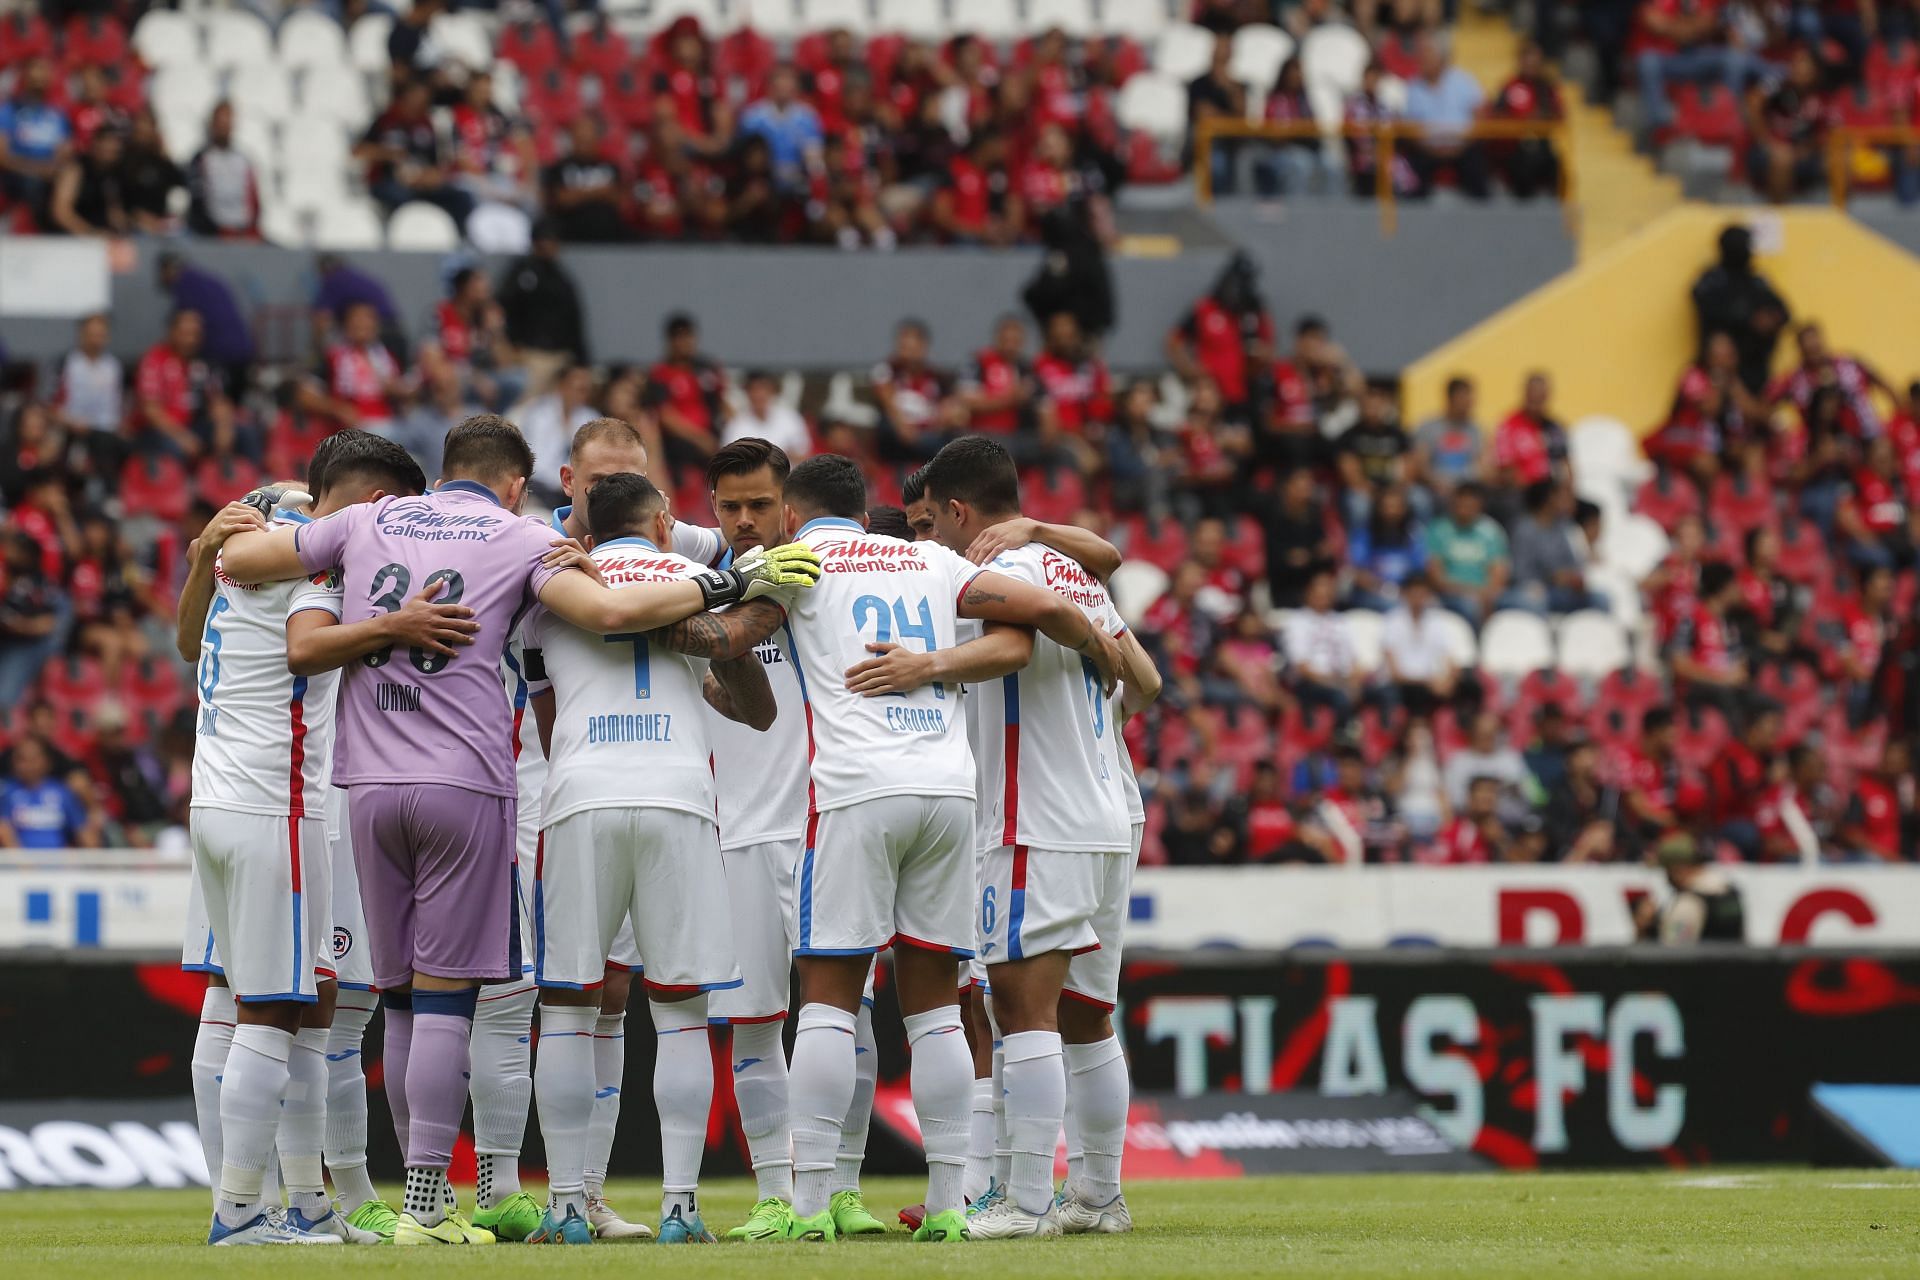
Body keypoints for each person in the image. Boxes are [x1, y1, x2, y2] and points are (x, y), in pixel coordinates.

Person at [216, 415, 824, 1244]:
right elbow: (615, 616)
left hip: (380, 783)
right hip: (503, 787)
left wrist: (231, 536)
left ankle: (492, 1203)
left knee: (417, 1005)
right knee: (625, 1007)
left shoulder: (365, 524)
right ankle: (635, 1204)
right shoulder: (528, 543)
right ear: (522, 485)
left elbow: (246, 569)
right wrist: (734, 586)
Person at [642, 451, 1121, 1241]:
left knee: (828, 998)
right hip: (948, 791)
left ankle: (807, 1204)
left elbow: (729, 639)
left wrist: (654, 621)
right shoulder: (930, 557)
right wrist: (1101, 648)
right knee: (935, 1006)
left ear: (793, 515)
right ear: (865, 511)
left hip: (856, 790)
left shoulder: (792, 563)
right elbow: (1037, 613)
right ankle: (944, 1205)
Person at [176, 432, 439, 1246]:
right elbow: (308, 645)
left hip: (219, 800)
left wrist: (197, 560)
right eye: (393, 512)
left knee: (307, 998)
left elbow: (191, 644)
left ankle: (311, 1205)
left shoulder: (240, 557)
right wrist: (400, 623)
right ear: (370, 505)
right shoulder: (315, 565)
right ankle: (240, 1214)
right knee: (273, 1006)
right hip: (274, 804)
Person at [521, 472, 771, 1246]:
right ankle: (681, 1207)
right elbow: (757, 709)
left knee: (566, 1006)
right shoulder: (701, 581)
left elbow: (546, 715)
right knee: (681, 1011)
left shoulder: (556, 587)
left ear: (589, 528)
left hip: (581, 794)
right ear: (665, 522)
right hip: (679, 796)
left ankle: (565, 1206)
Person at [908, 436, 1147, 1237]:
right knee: (1087, 1015)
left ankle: (1028, 1201)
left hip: (1033, 812)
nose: (927, 537)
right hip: (1105, 810)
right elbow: (1144, 680)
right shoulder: (1069, 566)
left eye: (931, 519)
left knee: (1020, 1004)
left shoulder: (990, 578)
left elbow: (1050, 633)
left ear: (958, 511)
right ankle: (1098, 1195)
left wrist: (925, 666)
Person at [356, 80, 475, 229]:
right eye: (415, 98)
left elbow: (437, 164)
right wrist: (389, 154)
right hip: (389, 181)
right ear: (404, 97)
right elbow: (359, 151)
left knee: (462, 197)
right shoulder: (386, 120)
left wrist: (430, 176)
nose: (418, 103)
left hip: (420, 183)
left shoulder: (427, 125)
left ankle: (461, 239)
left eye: (423, 100)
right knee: (402, 199)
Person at [1691, 224, 1790, 395]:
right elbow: (1706, 305)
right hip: (1720, 373)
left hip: (1755, 369)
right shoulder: (1713, 280)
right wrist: (1748, 318)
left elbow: (1784, 312)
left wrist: (1771, 319)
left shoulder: (1755, 280)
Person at [1402, 31, 1490, 199]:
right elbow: (1410, 128)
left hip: (1463, 147)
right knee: (1412, 177)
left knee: (1477, 170)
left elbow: (1479, 114)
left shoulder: (1463, 80)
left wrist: (1461, 145)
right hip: (1426, 150)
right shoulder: (1413, 87)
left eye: (1428, 56)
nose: (1423, 61)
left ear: (1441, 59)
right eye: (1422, 57)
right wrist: (1430, 148)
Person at [641, 313, 727, 476]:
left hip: (712, 441)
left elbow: (722, 402)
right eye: (679, 337)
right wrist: (700, 438)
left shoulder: (707, 368)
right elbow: (666, 416)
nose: (684, 342)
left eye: (688, 336)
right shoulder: (660, 373)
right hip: (678, 448)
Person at [1634, 832, 1745, 943]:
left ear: (1678, 869)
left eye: (1667, 871)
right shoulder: (1730, 892)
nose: (1667, 880)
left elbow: (1672, 953)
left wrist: (1646, 928)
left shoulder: (1688, 903)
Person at [1284, 567, 1360, 719]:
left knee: (1384, 692)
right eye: (1319, 590)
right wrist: (1334, 682)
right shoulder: (1297, 622)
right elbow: (1302, 667)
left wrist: (1354, 682)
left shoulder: (1341, 621)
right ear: (1309, 592)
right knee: (1339, 696)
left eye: (1328, 590)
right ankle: (1342, 735)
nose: (1324, 594)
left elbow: (1354, 660)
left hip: (1341, 680)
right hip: (1310, 683)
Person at [0, 57, 70, 218]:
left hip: (49, 176)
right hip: (17, 177)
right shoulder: (8, 112)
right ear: (24, 78)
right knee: (32, 184)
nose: (39, 78)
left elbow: (64, 153)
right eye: (34, 73)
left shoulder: (57, 115)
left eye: (43, 73)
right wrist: (37, 170)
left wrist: (52, 169)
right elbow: (3, 157)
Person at [1381, 572, 1457, 719]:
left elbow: (1450, 659)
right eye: (1414, 594)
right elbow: (1396, 674)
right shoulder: (1392, 621)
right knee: (1418, 693)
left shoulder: (1436, 621)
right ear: (1405, 594)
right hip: (1401, 686)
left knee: (1468, 688)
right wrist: (1429, 682)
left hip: (1429, 683)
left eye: (1422, 594)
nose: (1418, 599)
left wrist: (1449, 680)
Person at [0, 735, 97, 849]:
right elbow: (3, 829)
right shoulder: (6, 792)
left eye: (34, 759)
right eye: (22, 759)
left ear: (46, 761)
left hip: (58, 861)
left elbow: (82, 829)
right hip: (19, 862)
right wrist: (22, 862)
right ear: (14, 762)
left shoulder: (62, 792)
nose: (29, 765)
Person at [541, 116, 627, 244]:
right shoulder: (558, 167)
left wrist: (578, 194)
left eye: (588, 139)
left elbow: (620, 200)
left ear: (597, 140)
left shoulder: (611, 166)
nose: (583, 144)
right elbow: (561, 199)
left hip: (608, 235)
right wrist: (600, 192)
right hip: (569, 233)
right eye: (580, 139)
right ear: (572, 139)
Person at [186, 101, 261, 239]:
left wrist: (248, 230)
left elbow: (255, 202)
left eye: (227, 122)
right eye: (220, 122)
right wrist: (219, 231)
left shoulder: (244, 160)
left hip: (243, 233)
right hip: (211, 235)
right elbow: (197, 204)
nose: (224, 127)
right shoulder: (201, 159)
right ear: (212, 124)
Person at [1410, 376, 1484, 500]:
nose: (1469, 403)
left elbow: (1482, 465)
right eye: (1464, 398)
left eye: (1470, 399)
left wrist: (1464, 488)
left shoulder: (1476, 430)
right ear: (1450, 398)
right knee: (1418, 499)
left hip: (1466, 490)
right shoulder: (1428, 427)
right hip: (1434, 488)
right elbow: (1421, 464)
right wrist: (1436, 483)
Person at [46, 124, 125, 237]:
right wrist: (91, 233)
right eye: (107, 145)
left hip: (100, 238)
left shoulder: (112, 175)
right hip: (67, 239)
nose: (112, 150)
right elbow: (60, 212)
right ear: (95, 144)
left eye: (115, 149)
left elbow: (114, 212)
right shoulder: (75, 169)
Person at [722, 371, 812, 457]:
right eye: (753, 389)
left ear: (772, 390)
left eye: (763, 388)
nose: (758, 394)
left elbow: (805, 455)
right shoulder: (736, 424)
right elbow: (728, 458)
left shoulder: (790, 418)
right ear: (747, 392)